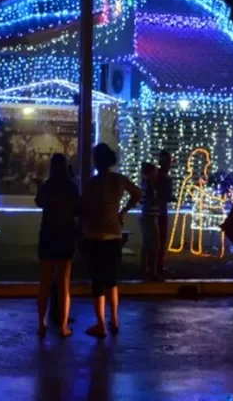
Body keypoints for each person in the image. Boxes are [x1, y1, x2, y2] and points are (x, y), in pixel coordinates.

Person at [80, 143, 142, 338]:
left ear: (96, 161)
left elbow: (84, 208)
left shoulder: (91, 183)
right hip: (114, 235)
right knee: (111, 279)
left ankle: (101, 324)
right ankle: (114, 319)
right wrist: (123, 211)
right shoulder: (119, 180)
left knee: (97, 281)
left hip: (94, 235)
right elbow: (137, 193)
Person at [34, 153, 79, 338]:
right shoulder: (71, 186)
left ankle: (41, 324)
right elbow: (78, 209)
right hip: (65, 235)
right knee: (64, 283)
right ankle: (63, 325)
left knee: (44, 282)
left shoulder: (48, 185)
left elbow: (38, 202)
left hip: (48, 235)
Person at [138, 162, 161, 281]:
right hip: (150, 218)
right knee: (155, 245)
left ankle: (144, 270)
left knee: (146, 245)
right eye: (155, 172)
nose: (156, 174)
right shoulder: (149, 185)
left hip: (146, 217)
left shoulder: (144, 184)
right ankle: (153, 272)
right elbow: (151, 201)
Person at [155, 150, 175, 274]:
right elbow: (165, 196)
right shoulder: (165, 178)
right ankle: (158, 266)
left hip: (154, 212)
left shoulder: (155, 176)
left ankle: (153, 265)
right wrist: (171, 197)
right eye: (168, 161)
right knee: (161, 240)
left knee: (154, 241)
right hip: (160, 212)